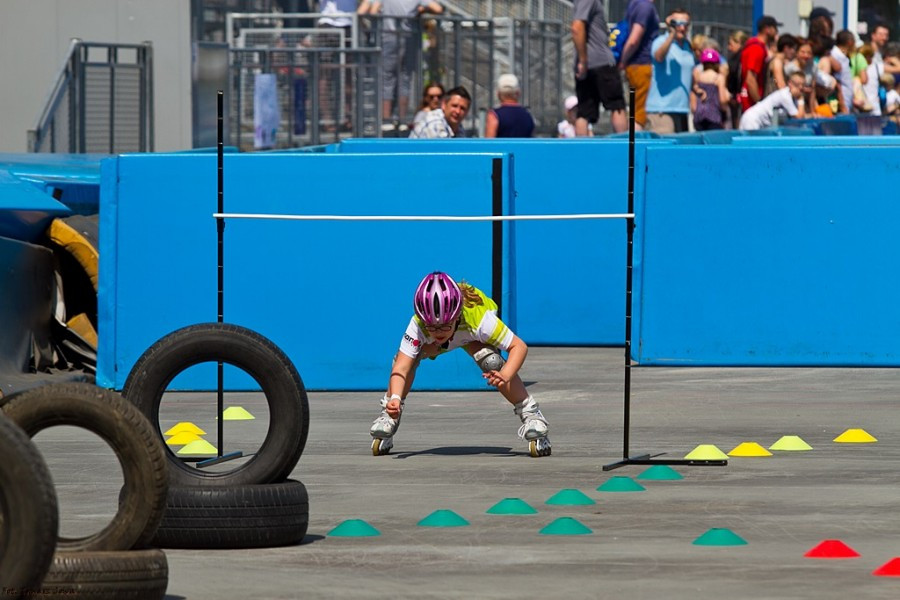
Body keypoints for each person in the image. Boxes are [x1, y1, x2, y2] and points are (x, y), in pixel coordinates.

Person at [370, 272, 552, 457]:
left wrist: (505, 375)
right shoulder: (419, 324)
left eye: (444, 326)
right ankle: (389, 413)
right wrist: (395, 398)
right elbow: (401, 367)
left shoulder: (481, 320)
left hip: (471, 336)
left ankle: (532, 414)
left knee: (492, 362)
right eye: (431, 326)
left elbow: (519, 347)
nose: (438, 331)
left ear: (457, 316)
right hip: (435, 345)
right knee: (404, 359)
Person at [360, 0, 443, 125]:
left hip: (388, 36)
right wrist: (421, 10)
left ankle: (386, 120)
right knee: (405, 79)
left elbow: (372, 10)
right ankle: (401, 119)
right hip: (409, 37)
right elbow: (438, 8)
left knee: (387, 79)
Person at [571, 0, 627, 135]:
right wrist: (583, 61)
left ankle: (582, 150)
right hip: (601, 62)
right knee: (617, 106)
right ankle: (625, 149)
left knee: (584, 111)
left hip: (587, 64)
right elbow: (577, 27)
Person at [645, 8, 694, 134]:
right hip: (662, 109)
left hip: (682, 109)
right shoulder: (661, 42)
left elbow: (687, 73)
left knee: (681, 151)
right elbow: (659, 57)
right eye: (677, 24)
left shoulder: (687, 46)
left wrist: (696, 89)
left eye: (685, 24)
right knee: (664, 150)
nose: (682, 28)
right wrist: (671, 34)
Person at [618, 0, 660, 130]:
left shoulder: (633, 5)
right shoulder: (645, 6)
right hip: (642, 64)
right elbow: (634, 39)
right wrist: (623, 61)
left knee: (635, 110)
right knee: (639, 113)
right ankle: (635, 145)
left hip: (635, 64)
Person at [739, 70, 807, 130]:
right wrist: (801, 99)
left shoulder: (794, 99)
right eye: (797, 85)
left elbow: (802, 116)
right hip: (752, 120)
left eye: (802, 86)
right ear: (790, 83)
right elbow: (799, 117)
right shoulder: (785, 95)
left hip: (762, 125)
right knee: (751, 144)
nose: (800, 88)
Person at [741, 15, 781, 112]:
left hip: (750, 101)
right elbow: (750, 79)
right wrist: (759, 103)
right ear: (767, 29)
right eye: (775, 28)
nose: (777, 32)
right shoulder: (757, 49)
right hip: (750, 103)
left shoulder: (755, 45)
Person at [484, 74, 535, 138]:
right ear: (518, 93)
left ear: (498, 94)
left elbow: (489, 143)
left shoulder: (494, 115)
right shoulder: (527, 115)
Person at [691, 48, 729, 131]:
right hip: (714, 116)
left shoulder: (698, 77)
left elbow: (693, 104)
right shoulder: (719, 78)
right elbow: (722, 100)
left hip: (699, 117)